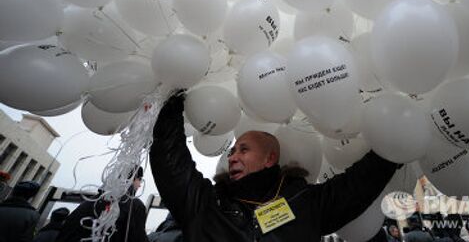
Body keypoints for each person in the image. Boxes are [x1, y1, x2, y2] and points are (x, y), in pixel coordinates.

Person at [150, 91, 399, 241]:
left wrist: (396, 144)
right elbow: (170, 162)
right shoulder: (206, 204)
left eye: (244, 150)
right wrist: (172, 101)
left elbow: (358, 185)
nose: (232, 157)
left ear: (269, 158)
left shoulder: (306, 202)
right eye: (232, 151)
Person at [55, 167, 148, 242]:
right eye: (140, 180)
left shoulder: (90, 202)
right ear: (132, 178)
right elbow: (137, 237)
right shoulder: (133, 206)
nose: (139, 185)